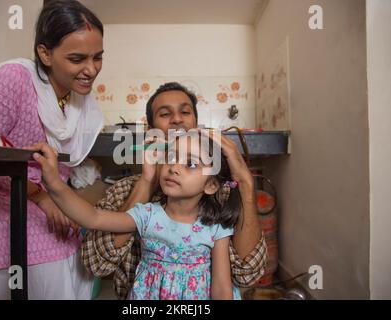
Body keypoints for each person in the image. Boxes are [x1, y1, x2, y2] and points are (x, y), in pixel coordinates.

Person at [0, 0, 105, 299]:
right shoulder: (12, 80)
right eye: (77, 58)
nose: (91, 70)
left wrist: (59, 198)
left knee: (82, 250)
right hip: (2, 197)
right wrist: (41, 196)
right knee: (52, 264)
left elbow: (66, 164)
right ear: (45, 53)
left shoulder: (77, 97)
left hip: (51, 197)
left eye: (98, 57)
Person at [82, 82, 267, 299]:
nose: (177, 119)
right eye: (165, 113)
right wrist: (146, 181)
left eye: (185, 112)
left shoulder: (219, 193)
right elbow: (98, 264)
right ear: (150, 130)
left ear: (195, 123)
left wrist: (245, 183)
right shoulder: (125, 189)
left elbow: (247, 274)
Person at [29, 130, 243, 300]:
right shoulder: (147, 215)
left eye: (191, 164)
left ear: (212, 185)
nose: (174, 168)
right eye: (170, 157)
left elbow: (222, 289)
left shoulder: (216, 227)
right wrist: (54, 184)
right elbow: (92, 217)